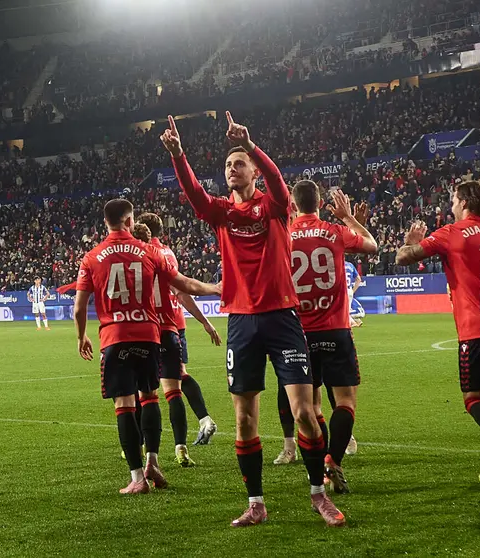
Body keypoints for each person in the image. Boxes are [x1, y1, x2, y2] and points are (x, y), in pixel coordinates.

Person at [163, 113, 344, 527]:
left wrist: (251, 145)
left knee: (304, 413)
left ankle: (318, 494)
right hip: (242, 322)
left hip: (282, 318)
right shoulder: (221, 212)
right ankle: (256, 504)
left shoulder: (274, 206)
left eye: (239, 163)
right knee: (244, 419)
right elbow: (194, 194)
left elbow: (278, 182)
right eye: (228, 164)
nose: (232, 169)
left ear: (253, 171)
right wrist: (178, 155)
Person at [72, 199, 220, 494]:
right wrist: (215, 288)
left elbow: (79, 308)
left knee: (125, 405)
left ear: (106, 222)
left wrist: (81, 336)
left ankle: (138, 478)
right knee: (150, 397)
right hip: (149, 336)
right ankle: (153, 461)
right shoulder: (149, 252)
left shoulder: (92, 257)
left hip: (115, 337)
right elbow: (184, 284)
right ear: (130, 221)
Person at [396, 180, 480, 491]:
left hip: (477, 328)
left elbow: (403, 258)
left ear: (465, 202)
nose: (452, 207)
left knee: (474, 400)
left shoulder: (451, 232)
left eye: (454, 202)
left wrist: (411, 242)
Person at [285, 181, 378, 494]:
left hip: (298, 333)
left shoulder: (284, 235)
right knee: (345, 401)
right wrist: (348, 218)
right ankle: (333, 461)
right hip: (336, 329)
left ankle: (318, 471)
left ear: (293, 204)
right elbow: (371, 245)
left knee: (309, 407)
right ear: (320, 203)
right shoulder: (334, 232)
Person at [132, 213, 223, 465]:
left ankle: (142, 448)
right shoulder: (167, 254)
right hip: (171, 325)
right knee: (174, 386)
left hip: (143, 329)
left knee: (145, 393)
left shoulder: (134, 255)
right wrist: (206, 316)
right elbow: (182, 288)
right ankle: (182, 445)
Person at [345, 261, 366, 328]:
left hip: (342, 291)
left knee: (341, 311)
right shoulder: (350, 265)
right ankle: (357, 320)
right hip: (349, 290)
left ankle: (353, 323)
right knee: (346, 310)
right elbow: (358, 279)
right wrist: (352, 291)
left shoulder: (337, 265)